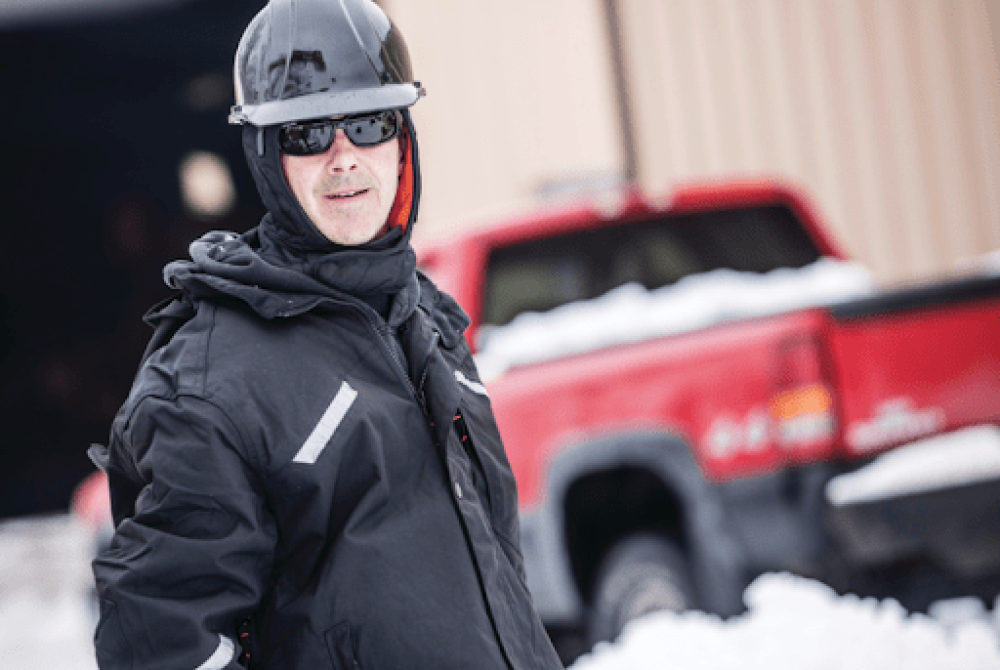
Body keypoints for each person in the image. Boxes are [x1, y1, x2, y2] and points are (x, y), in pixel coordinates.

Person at [89, 1, 565, 668]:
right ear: (264, 153)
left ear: (403, 141)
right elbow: (163, 644)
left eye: (370, 124)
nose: (344, 157)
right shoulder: (205, 387)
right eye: (307, 133)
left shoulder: (428, 321)